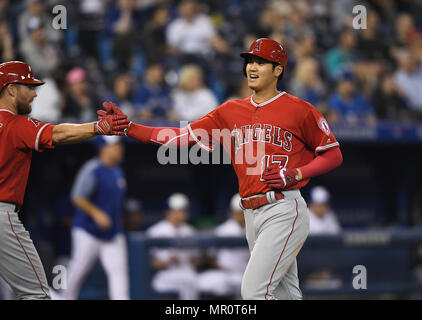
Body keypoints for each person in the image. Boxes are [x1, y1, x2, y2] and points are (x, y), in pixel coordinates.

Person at [101, 38, 343, 300]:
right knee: (286, 295)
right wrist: (130, 127)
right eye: (250, 60)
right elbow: (180, 137)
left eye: (261, 62)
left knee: (253, 291)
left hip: (284, 207)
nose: (252, 66)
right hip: (251, 214)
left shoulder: (299, 109)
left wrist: (296, 173)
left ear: (278, 70)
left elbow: (333, 155)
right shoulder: (230, 110)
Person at [0, 61, 129, 300]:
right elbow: (59, 133)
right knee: (37, 295)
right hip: (2, 214)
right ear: (11, 89)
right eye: (28, 87)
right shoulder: (15, 124)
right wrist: (99, 127)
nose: (34, 93)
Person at [61, 135, 129, 300]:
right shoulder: (92, 169)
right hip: (88, 231)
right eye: (115, 146)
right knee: (77, 271)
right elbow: (77, 197)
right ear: (104, 148)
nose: (120, 149)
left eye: (120, 145)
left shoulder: (117, 172)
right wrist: (96, 213)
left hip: (111, 233)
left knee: (119, 275)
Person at [146, 193, 200, 300]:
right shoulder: (155, 231)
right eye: (177, 211)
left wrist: (189, 260)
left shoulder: (190, 231)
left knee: (190, 283)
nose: (180, 214)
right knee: (190, 281)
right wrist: (166, 261)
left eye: (183, 211)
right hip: (164, 274)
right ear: (168, 212)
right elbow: (148, 261)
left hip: (186, 270)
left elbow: (198, 258)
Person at [198, 193, 250, 298]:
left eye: (244, 212)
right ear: (232, 213)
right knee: (202, 282)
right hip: (225, 274)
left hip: (245, 274)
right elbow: (210, 255)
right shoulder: (222, 230)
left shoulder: (253, 229)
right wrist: (219, 267)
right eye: (239, 212)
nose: (241, 215)